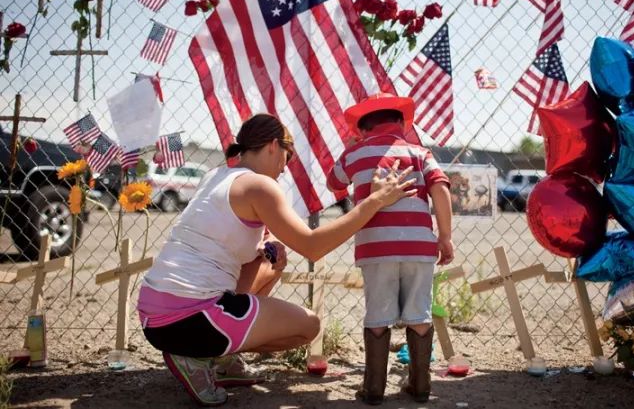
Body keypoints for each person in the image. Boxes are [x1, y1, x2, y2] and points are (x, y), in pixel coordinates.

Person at [137, 113, 417, 407]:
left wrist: (265, 243)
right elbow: (313, 246)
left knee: (268, 266)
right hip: (192, 319)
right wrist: (374, 202)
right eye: (288, 156)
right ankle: (200, 357)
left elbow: (222, 236)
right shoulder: (260, 186)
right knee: (308, 327)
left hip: (153, 316)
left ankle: (220, 358)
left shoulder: (216, 175)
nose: (286, 167)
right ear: (273, 145)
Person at [326, 93, 454, 405]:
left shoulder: (356, 153)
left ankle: (373, 390)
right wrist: (445, 237)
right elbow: (440, 189)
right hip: (419, 247)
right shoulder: (420, 153)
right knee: (419, 312)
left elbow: (334, 183)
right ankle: (421, 386)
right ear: (399, 122)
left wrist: (354, 150)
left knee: (378, 314)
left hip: (375, 248)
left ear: (363, 128)